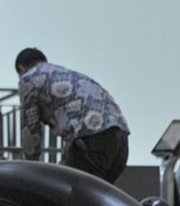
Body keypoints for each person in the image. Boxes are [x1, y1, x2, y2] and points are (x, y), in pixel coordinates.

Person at [15, 47, 129, 183]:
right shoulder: (64, 74)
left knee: (73, 194)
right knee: (100, 197)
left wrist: (30, 169)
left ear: (21, 68)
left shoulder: (29, 78)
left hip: (91, 135)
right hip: (120, 135)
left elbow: (30, 126)